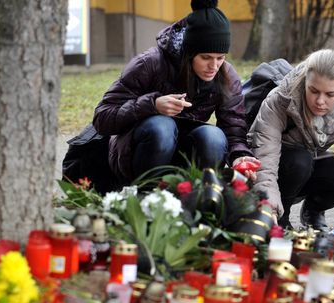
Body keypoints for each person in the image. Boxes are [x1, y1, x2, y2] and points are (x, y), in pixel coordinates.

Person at [93, 0, 258, 184]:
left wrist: (239, 155)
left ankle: (200, 199)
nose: (214, 66)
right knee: (162, 127)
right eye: (206, 57)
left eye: (220, 58)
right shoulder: (149, 63)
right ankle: (147, 196)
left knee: (213, 138)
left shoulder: (226, 75)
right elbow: (102, 118)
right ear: (189, 52)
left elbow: (233, 129)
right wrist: (152, 105)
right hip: (138, 154)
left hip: (185, 154)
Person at [248, 49, 334, 230]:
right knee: (300, 160)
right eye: (314, 91)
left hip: (307, 167)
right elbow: (264, 160)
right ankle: (282, 217)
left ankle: (314, 210)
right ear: (304, 82)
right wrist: (268, 205)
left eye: (330, 94)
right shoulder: (281, 100)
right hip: (278, 169)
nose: (320, 101)